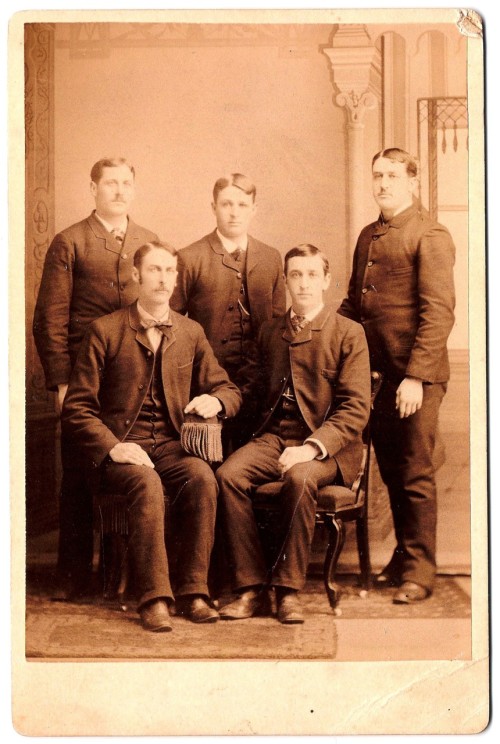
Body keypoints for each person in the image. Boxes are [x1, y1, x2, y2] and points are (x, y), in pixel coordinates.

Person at [61, 241, 242, 632]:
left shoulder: (190, 331)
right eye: (155, 270)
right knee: (145, 482)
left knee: (202, 478)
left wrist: (216, 400)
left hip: (173, 448)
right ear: (136, 275)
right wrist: (114, 447)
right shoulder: (104, 331)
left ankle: (194, 590)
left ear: (176, 278)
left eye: (169, 271)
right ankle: (155, 597)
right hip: (121, 454)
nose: (163, 279)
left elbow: (229, 390)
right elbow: (76, 409)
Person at [215, 244, 371, 624]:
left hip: (326, 448)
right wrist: (218, 403)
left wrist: (312, 448)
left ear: (326, 281)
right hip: (273, 439)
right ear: (285, 281)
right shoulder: (271, 331)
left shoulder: (348, 333)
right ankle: (251, 586)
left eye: (312, 275)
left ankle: (286, 591)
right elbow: (249, 388)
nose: (303, 284)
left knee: (300, 479)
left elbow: (355, 408)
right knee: (228, 476)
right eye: (296, 275)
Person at [33, 157, 159, 599]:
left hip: (132, 376)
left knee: (132, 463)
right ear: (93, 189)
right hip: (85, 377)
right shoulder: (70, 242)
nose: (119, 191)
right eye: (110, 184)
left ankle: (127, 570)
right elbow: (49, 318)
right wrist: (61, 382)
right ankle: (72, 574)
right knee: (80, 474)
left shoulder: (148, 242)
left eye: (127, 183)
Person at [338, 147, 456, 604]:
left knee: (415, 472)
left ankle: (421, 571)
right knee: (391, 470)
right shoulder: (369, 235)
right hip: (376, 377)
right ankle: (404, 558)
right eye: (377, 176)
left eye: (392, 175)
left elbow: (439, 313)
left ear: (413, 181)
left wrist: (416, 378)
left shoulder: (430, 234)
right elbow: (353, 305)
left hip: (413, 379)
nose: (383, 183)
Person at [170, 173, 286, 448]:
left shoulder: (270, 257)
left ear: (254, 210)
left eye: (243, 205)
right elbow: (171, 324)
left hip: (260, 385)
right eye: (226, 204)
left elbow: (279, 326)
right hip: (206, 385)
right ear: (213, 207)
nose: (234, 213)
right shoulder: (190, 257)